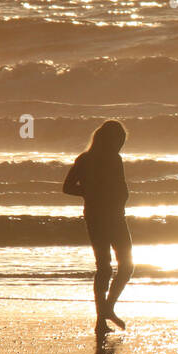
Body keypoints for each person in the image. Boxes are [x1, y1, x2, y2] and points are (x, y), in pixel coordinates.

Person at [63, 120, 134, 334]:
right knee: (104, 267)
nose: (120, 144)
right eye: (118, 140)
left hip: (116, 216)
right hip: (97, 217)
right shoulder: (85, 159)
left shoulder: (116, 159)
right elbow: (67, 187)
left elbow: (121, 186)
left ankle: (107, 309)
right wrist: (89, 192)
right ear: (108, 139)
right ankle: (101, 318)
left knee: (126, 267)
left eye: (122, 141)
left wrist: (120, 199)